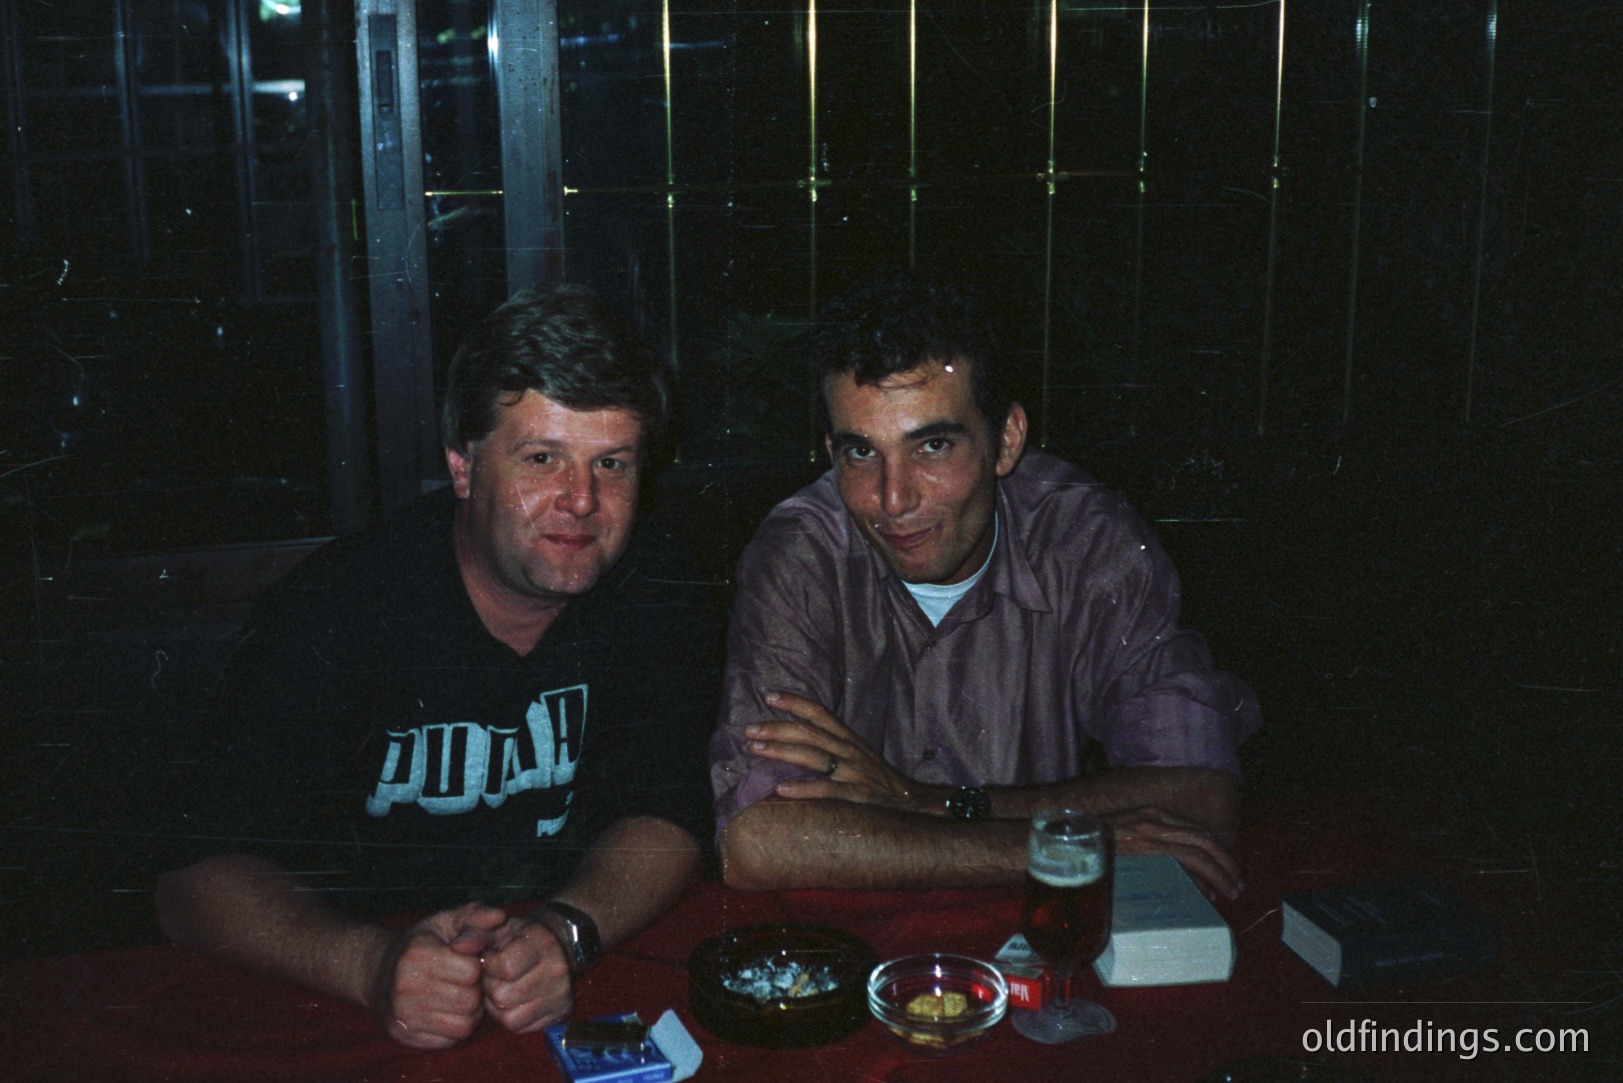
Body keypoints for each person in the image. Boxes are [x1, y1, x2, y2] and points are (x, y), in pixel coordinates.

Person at [155, 285, 719, 1051]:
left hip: (561, 988)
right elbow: (190, 882)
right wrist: (372, 963)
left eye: (611, 463)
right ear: (462, 466)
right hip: (344, 1007)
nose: (581, 501)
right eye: (542, 458)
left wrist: (566, 929)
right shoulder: (337, 610)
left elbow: (671, 816)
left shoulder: (656, 587)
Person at [709, 273, 1261, 899]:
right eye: (861, 453)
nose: (893, 498)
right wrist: (1051, 841)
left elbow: (1203, 793)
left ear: (1006, 440)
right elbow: (756, 841)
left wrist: (920, 801)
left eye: (933, 445)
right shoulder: (801, 554)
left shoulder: (1089, 540)